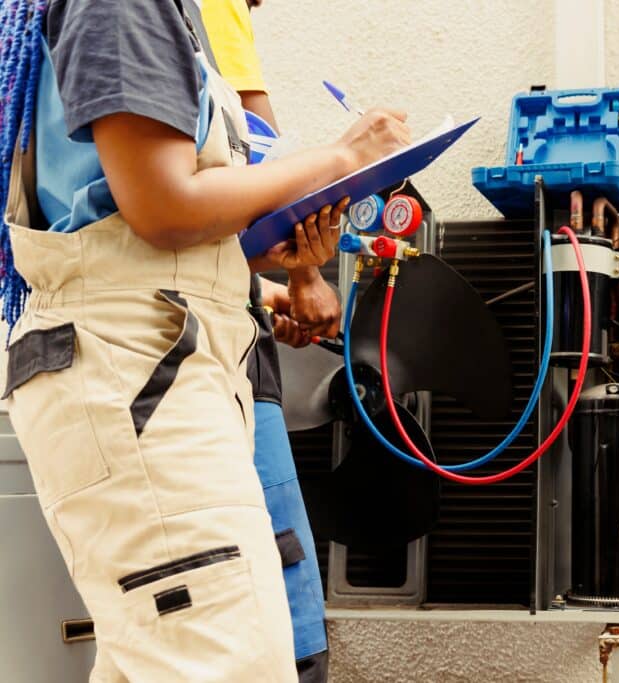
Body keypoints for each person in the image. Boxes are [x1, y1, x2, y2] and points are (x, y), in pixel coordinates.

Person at [0, 0, 409, 679]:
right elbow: (161, 204)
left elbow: (129, 221)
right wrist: (340, 157)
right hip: (139, 378)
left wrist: (269, 250)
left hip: (145, 369)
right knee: (232, 659)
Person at [201, 0, 336, 679]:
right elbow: (259, 143)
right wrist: (307, 272)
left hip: (204, 322)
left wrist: (262, 291)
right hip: (214, 360)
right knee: (289, 618)